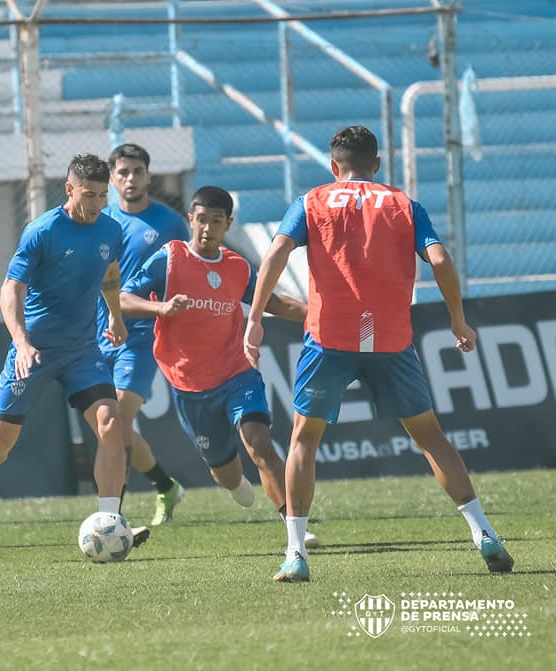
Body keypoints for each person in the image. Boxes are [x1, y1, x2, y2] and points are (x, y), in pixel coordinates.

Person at [244, 125, 514, 582]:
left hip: (330, 337)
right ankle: (483, 532)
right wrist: (457, 320)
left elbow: (275, 254)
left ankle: (295, 555)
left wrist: (254, 319)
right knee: (431, 438)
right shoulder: (403, 203)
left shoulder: (312, 201)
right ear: (378, 163)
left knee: (303, 442)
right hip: (388, 338)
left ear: (334, 166)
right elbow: (442, 260)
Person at [0, 153, 140, 541]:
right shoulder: (42, 231)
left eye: (103, 196)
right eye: (88, 195)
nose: (95, 204)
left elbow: (109, 273)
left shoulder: (110, 230)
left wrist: (116, 316)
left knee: (111, 422)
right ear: (69, 190)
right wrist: (21, 344)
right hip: (33, 351)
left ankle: (109, 522)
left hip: (82, 350)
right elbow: (10, 290)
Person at [121, 186, 318, 547]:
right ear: (190, 220)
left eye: (216, 221)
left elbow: (273, 302)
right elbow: (122, 298)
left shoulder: (236, 266)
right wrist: (159, 308)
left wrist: (318, 318)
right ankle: (236, 482)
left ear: (228, 224)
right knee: (225, 472)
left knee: (260, 444)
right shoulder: (170, 259)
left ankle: (296, 529)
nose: (207, 228)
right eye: (200, 220)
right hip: (190, 387)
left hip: (236, 373)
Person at [96, 143, 189, 526]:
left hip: (143, 336)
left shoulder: (170, 224)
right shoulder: (99, 221)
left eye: (137, 171)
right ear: (112, 178)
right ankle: (165, 485)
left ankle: (112, 517)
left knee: (117, 417)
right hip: (99, 335)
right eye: (123, 172)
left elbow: (186, 275)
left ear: (148, 175)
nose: (130, 178)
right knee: (114, 426)